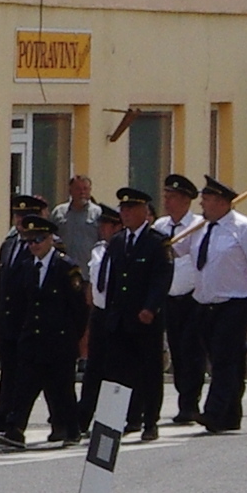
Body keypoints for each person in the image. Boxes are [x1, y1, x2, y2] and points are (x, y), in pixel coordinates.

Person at [168, 175, 247, 435]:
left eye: (207, 199)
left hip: (235, 302)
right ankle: (231, 413)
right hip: (204, 302)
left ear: (221, 202)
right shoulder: (200, 227)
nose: (202, 204)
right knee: (214, 355)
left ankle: (214, 413)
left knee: (224, 358)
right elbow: (177, 251)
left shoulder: (244, 228)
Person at [0, 196, 82, 447]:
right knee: (24, 386)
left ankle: (71, 429)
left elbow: (78, 308)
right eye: (30, 241)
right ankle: (15, 429)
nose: (34, 245)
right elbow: (19, 303)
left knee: (62, 388)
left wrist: (75, 339)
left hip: (58, 339)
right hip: (31, 337)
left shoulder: (66, 268)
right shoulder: (27, 267)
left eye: (38, 240)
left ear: (50, 239)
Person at [85, 181, 168, 439]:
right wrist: (109, 313)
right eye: (123, 208)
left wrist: (150, 308)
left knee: (149, 371)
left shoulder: (157, 243)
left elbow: (161, 278)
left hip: (144, 319)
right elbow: (112, 281)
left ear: (145, 210)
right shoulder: (118, 242)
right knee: (118, 373)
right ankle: (122, 419)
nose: (126, 213)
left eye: (131, 208)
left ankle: (150, 421)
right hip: (119, 318)